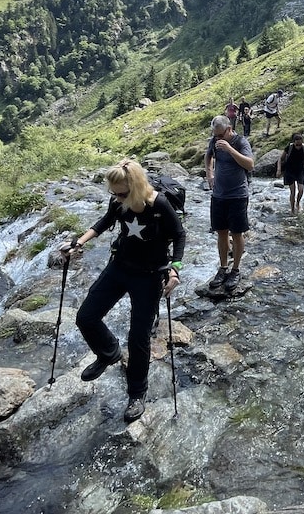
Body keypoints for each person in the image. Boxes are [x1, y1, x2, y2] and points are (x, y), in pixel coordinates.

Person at [61, 159, 184, 422]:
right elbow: (105, 221)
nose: (117, 198)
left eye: (122, 193)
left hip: (150, 277)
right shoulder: (118, 201)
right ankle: (108, 353)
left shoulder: (159, 204)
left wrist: (175, 269)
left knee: (138, 337)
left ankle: (136, 395)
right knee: (86, 317)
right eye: (113, 193)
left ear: (136, 185)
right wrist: (78, 242)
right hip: (120, 267)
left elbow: (180, 235)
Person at [203, 115, 254, 292]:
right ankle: (223, 268)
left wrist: (230, 150)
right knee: (221, 232)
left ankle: (235, 270)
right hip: (218, 196)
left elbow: (250, 165)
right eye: (214, 135)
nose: (217, 139)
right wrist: (209, 174)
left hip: (238, 195)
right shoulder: (214, 141)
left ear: (229, 129)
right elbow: (208, 156)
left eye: (220, 135)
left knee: (237, 233)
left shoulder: (241, 142)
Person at [275, 132, 304, 214]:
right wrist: (279, 170)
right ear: (294, 142)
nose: (298, 146)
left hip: (300, 171)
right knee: (293, 192)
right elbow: (280, 159)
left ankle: (298, 203)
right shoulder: (289, 148)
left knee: (301, 190)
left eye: (300, 144)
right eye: (297, 144)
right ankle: (292, 209)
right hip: (289, 171)